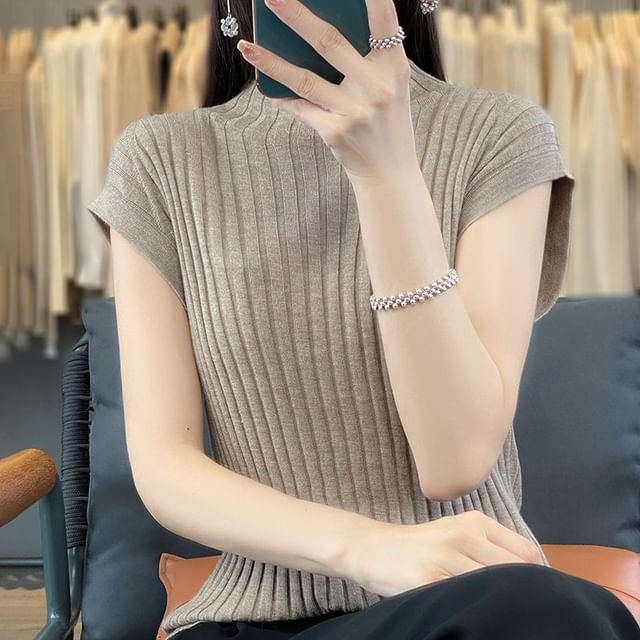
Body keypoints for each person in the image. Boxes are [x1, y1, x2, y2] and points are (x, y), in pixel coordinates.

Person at [86, 0, 640, 638]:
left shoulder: (499, 134)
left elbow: (454, 460)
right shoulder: (160, 159)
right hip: (255, 622)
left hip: (473, 606)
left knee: (553, 612)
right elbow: (166, 467)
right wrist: (366, 548)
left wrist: (387, 173)